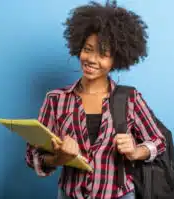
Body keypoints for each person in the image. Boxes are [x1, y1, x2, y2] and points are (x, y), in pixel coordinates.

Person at [25, 1, 166, 198]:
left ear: (115, 60)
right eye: (88, 49)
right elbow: (33, 157)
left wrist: (135, 151)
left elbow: (158, 142)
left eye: (103, 53)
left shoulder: (129, 99)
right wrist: (58, 158)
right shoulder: (56, 99)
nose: (91, 59)